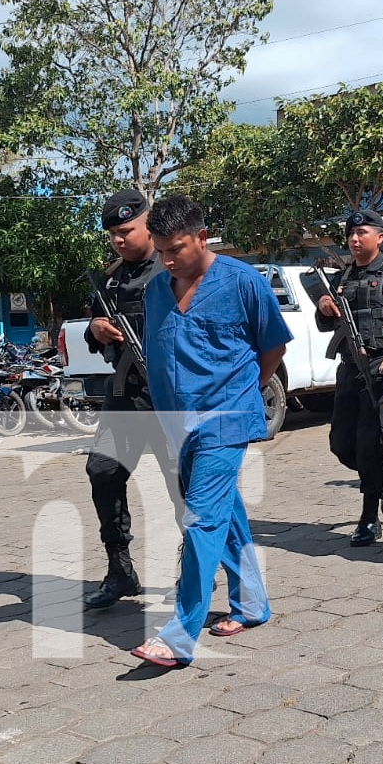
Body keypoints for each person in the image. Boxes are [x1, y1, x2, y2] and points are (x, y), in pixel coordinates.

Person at [129, 197, 291, 669]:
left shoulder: (243, 283)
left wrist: (244, 393)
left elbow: (273, 347)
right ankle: (254, 604)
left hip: (225, 418)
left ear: (202, 237)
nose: (168, 259)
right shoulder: (158, 290)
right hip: (175, 422)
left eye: (176, 248)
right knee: (225, 513)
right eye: (160, 250)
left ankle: (180, 634)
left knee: (200, 519)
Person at [82, 188, 168, 609]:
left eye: (127, 231)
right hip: (125, 395)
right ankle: (120, 569)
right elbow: (93, 325)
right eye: (113, 234)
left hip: (169, 396)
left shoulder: (173, 268)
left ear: (148, 223)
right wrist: (95, 329)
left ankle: (197, 571)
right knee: (103, 472)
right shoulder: (113, 277)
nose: (119, 240)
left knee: (183, 486)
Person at [308, 208, 383, 547]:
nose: (354, 239)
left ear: (380, 237)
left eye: (362, 233)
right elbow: (326, 324)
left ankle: (369, 519)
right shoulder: (342, 277)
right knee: (341, 445)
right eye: (351, 234)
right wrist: (323, 306)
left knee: (372, 443)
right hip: (350, 368)